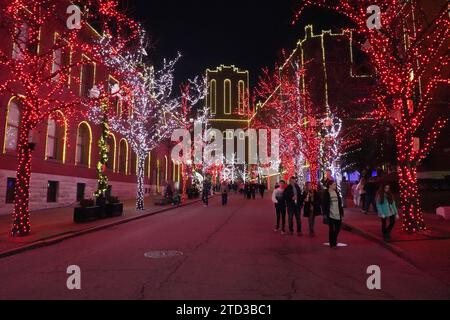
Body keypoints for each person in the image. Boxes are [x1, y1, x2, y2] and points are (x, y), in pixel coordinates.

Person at [322, 180, 344, 249]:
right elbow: (324, 204)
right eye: (334, 184)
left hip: (337, 213)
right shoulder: (326, 193)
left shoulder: (336, 192)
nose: (335, 185)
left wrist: (341, 212)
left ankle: (334, 240)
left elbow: (339, 204)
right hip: (331, 214)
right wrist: (325, 214)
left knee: (338, 228)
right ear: (330, 185)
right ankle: (332, 243)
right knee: (331, 229)